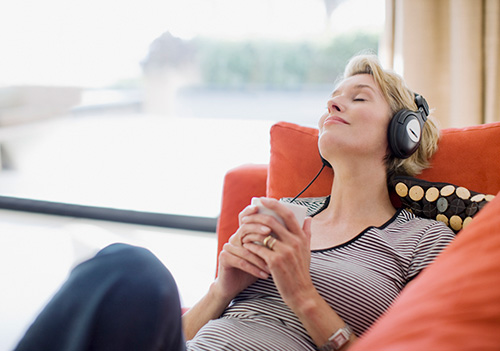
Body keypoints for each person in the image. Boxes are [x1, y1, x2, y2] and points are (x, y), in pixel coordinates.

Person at [15, 54, 455, 351]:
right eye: (334, 98)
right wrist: (222, 289)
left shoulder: (423, 240)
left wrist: (302, 293)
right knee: (127, 268)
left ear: (404, 132)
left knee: (132, 267)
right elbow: (179, 338)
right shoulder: (285, 213)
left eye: (359, 98)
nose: (335, 103)